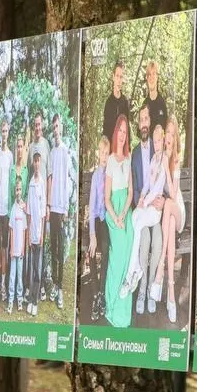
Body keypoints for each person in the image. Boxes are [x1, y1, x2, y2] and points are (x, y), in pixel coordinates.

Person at [121, 124, 168, 300]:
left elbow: (156, 189)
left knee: (138, 222)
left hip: (155, 211)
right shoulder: (153, 160)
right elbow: (147, 185)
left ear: (163, 141)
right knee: (134, 218)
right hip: (147, 204)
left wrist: (146, 202)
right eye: (154, 142)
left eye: (158, 141)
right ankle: (138, 269)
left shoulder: (163, 161)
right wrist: (141, 198)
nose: (156, 144)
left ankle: (131, 274)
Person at [129, 105, 163, 316]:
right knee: (144, 241)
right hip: (142, 209)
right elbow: (133, 187)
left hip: (155, 210)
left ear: (150, 122)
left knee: (157, 240)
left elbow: (163, 182)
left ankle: (151, 288)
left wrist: (162, 200)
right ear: (138, 124)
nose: (143, 123)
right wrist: (139, 203)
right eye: (140, 119)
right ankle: (141, 290)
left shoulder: (157, 149)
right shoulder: (134, 153)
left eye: (146, 119)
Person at [103, 115, 135, 328]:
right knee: (119, 250)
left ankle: (124, 310)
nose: (122, 135)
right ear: (116, 133)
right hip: (113, 210)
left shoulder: (129, 157)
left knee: (131, 242)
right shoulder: (111, 160)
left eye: (125, 132)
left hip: (126, 209)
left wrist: (124, 214)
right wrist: (116, 217)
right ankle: (111, 303)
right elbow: (106, 198)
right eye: (120, 131)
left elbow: (131, 192)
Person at [153, 119, 186, 323]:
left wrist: (166, 167)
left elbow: (173, 195)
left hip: (178, 208)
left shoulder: (176, 160)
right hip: (168, 215)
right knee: (169, 220)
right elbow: (158, 187)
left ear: (176, 139)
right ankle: (171, 294)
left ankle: (160, 269)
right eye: (168, 133)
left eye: (173, 134)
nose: (170, 138)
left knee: (169, 208)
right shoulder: (160, 157)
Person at [47, 114, 74, 309]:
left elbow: (65, 182)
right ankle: (55, 285)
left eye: (58, 126)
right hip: (52, 208)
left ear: (61, 128)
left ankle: (61, 289)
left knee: (61, 248)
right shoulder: (51, 152)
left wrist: (65, 209)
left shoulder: (65, 151)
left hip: (61, 209)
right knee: (54, 248)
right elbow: (51, 180)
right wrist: (49, 205)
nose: (56, 130)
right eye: (54, 127)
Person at [85, 136, 110, 320]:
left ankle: (102, 293)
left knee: (106, 248)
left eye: (107, 153)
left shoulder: (110, 174)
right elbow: (92, 207)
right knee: (92, 251)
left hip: (105, 221)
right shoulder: (95, 176)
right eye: (102, 152)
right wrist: (91, 234)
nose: (104, 156)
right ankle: (95, 295)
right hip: (94, 219)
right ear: (98, 153)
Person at [0, 119, 14, 305]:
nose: (4, 134)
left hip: (7, 211)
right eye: (2, 131)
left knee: (5, 249)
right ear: (0, 133)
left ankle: (5, 287)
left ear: (9, 133)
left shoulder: (11, 156)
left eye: (6, 131)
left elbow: (12, 183)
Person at [25, 152, 46, 317]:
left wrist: (41, 235)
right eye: (35, 161)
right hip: (32, 231)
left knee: (38, 269)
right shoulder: (31, 183)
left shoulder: (42, 184)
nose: (37, 164)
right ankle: (30, 298)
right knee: (31, 268)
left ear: (41, 163)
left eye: (39, 161)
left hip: (39, 232)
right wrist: (29, 233)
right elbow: (30, 212)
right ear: (33, 164)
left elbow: (42, 214)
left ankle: (35, 301)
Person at [9, 179, 28, 314]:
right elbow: (11, 229)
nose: (18, 191)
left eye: (20, 189)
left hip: (20, 249)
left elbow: (24, 230)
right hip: (13, 249)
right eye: (16, 189)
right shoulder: (13, 208)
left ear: (22, 191)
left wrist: (23, 248)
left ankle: (19, 298)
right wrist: (11, 248)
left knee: (20, 275)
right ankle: (10, 300)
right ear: (14, 191)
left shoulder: (23, 208)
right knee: (12, 275)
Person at [103, 61, 132, 140]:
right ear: (113, 77)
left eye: (121, 77)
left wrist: (128, 149)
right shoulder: (108, 103)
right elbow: (105, 131)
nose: (119, 80)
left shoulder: (125, 102)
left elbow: (127, 129)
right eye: (117, 76)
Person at [143, 60, 168, 132]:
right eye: (149, 74)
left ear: (157, 77)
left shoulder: (162, 103)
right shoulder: (144, 104)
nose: (151, 77)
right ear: (147, 79)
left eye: (154, 74)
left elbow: (165, 130)